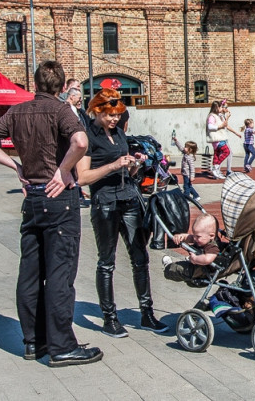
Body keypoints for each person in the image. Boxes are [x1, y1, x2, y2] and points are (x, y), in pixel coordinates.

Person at [0, 60, 102, 367]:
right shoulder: (61, 110)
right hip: (58, 198)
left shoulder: (18, 111)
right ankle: (62, 346)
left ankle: (33, 341)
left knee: (31, 271)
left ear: (36, 84)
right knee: (60, 273)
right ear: (60, 87)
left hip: (32, 197)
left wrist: (15, 165)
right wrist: (63, 169)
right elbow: (81, 142)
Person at [75, 88, 168, 338]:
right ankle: (109, 318)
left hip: (129, 199)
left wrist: (134, 165)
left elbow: (129, 172)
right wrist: (113, 165)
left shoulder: (119, 134)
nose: (114, 119)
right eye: (109, 115)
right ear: (96, 110)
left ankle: (147, 313)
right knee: (106, 262)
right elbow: (83, 177)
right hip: (104, 203)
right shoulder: (87, 137)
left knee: (140, 257)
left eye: (117, 115)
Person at [162, 213, 219, 284]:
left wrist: (195, 259)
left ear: (211, 236)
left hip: (200, 271)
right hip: (197, 265)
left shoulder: (212, 247)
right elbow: (190, 237)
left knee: (176, 268)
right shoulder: (204, 238)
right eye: (194, 235)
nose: (194, 238)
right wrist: (181, 236)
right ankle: (189, 260)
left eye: (198, 236)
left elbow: (207, 259)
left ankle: (168, 266)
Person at [215, 99, 242, 177]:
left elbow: (227, 126)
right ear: (222, 107)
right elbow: (224, 124)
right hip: (221, 137)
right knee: (228, 153)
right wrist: (228, 117)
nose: (227, 109)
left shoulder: (221, 115)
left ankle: (219, 170)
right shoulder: (219, 116)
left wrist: (236, 133)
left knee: (223, 154)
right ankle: (226, 171)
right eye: (226, 107)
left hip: (222, 137)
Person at [205, 100, 230, 179]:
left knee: (216, 154)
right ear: (217, 107)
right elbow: (210, 127)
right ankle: (216, 168)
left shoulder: (218, 115)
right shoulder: (212, 116)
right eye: (221, 107)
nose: (222, 108)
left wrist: (227, 117)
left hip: (219, 138)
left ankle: (216, 170)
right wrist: (219, 126)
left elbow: (224, 124)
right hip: (217, 138)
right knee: (227, 151)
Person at [172, 135, 200, 201]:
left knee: (186, 187)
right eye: (185, 146)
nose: (184, 148)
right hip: (185, 173)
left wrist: (192, 176)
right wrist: (176, 141)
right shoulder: (186, 153)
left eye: (186, 147)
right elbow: (181, 148)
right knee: (189, 186)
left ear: (190, 149)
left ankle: (186, 199)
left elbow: (192, 168)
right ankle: (196, 196)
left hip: (187, 175)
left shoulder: (190, 157)